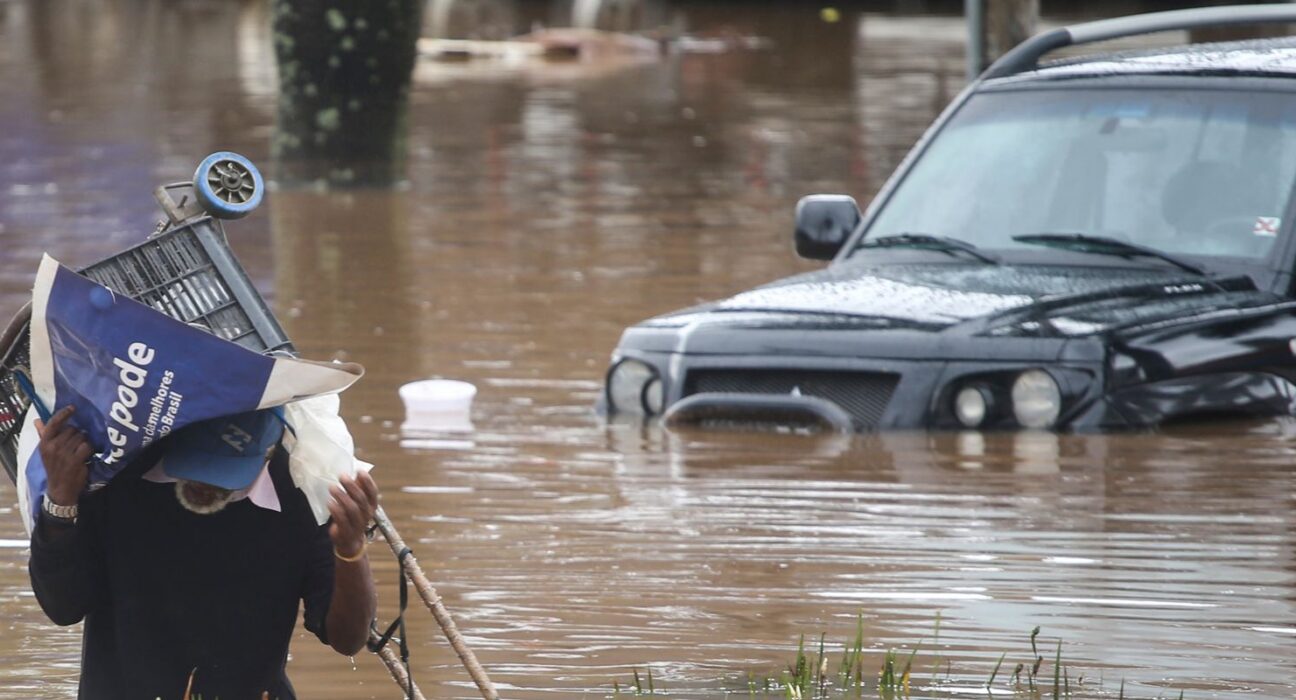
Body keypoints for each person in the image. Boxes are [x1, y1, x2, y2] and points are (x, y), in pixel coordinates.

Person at [28, 404, 380, 700]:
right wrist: (61, 501)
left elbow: (347, 639)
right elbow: (63, 607)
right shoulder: (116, 474)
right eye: (198, 466)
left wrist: (351, 550)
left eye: (226, 472)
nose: (206, 484)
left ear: (268, 453)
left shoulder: (302, 492)